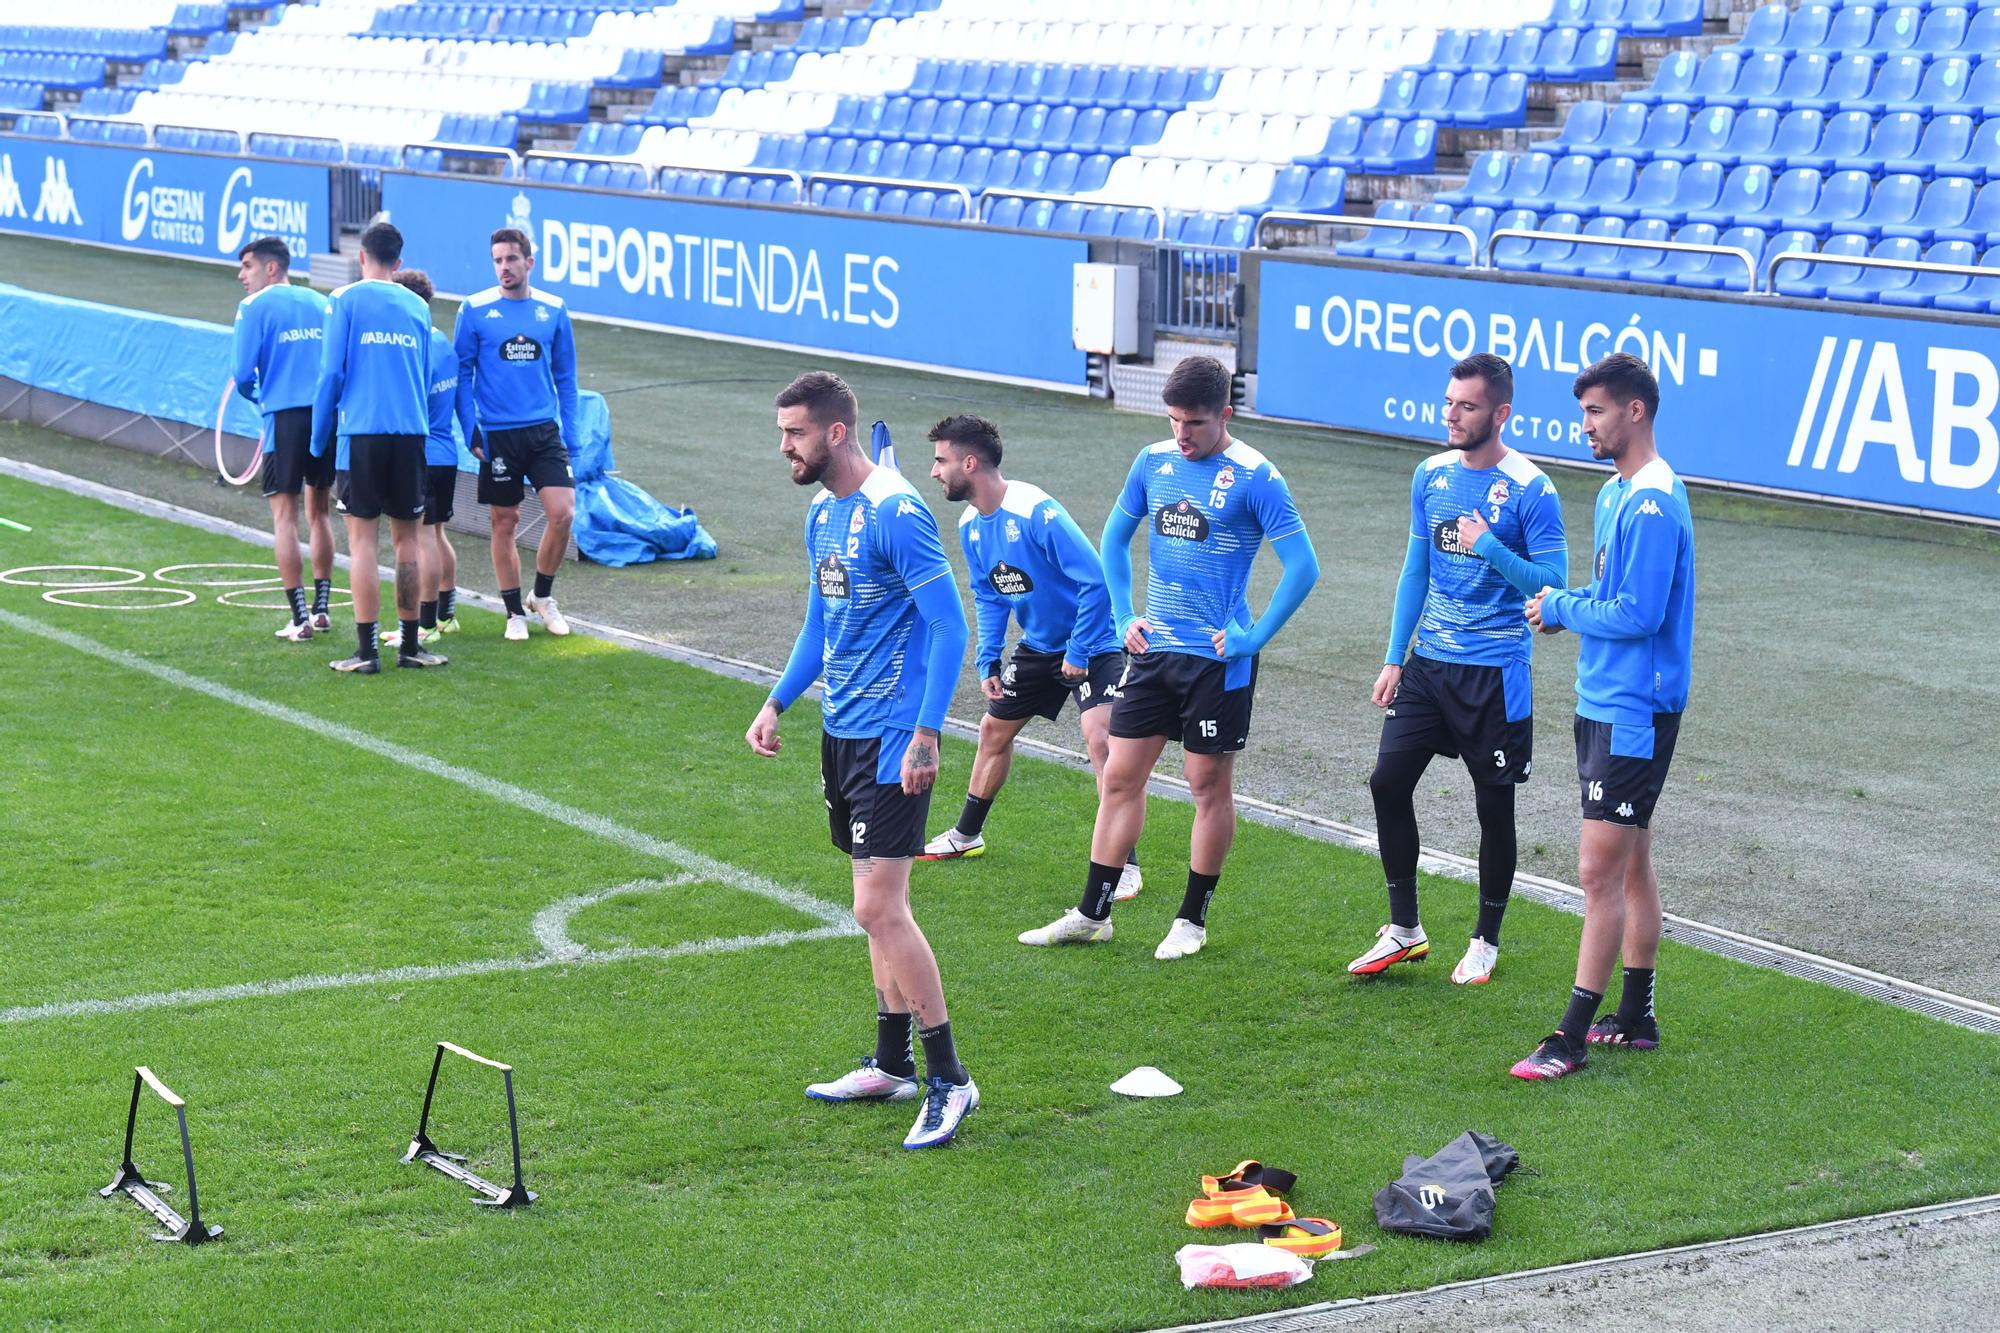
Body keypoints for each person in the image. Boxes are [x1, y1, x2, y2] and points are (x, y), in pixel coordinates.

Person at [744, 371, 977, 1149]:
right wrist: (778, 701)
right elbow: (820, 625)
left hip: (892, 740)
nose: (785, 447)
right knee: (869, 906)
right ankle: (890, 1061)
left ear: (836, 432)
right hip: (841, 733)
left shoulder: (898, 514)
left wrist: (926, 731)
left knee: (880, 907)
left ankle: (950, 1078)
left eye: (795, 434)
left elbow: (949, 628)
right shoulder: (822, 512)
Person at [1019, 355, 1319, 960]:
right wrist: (1126, 615)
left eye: (1196, 423)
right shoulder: (1153, 461)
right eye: (1175, 420)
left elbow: (1304, 567)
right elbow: (1112, 538)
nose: (1183, 434)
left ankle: (1191, 920)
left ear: (1225, 415)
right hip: (1154, 654)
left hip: (1217, 660)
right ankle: (1092, 913)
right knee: (1119, 776)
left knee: (1206, 786)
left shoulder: (1258, 477)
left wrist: (1252, 637)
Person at [1349, 354, 1568, 987]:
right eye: (1449, 402)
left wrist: (1491, 546)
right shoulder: (1431, 475)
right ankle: (1404, 929)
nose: (1451, 414)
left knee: (1493, 808)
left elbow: (1552, 587)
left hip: (1494, 673)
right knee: (1387, 782)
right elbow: (1415, 569)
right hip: (1428, 667)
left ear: (1500, 414)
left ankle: (1486, 939)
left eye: (1466, 406)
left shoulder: (1532, 489)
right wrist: (1396, 656)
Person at [1515, 352, 1695, 1081]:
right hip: (1605, 697)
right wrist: (1570, 611)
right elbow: (1608, 593)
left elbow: (1640, 612)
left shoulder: (1654, 502)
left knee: (1598, 870)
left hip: (1633, 709)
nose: (1584, 425)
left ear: (1635, 412)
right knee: (1631, 859)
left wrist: (1561, 607)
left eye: (1595, 412)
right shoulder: (1619, 492)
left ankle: (1571, 1034)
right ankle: (1639, 1014)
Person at [916, 414, 1141, 901]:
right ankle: (967, 834)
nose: (934, 472)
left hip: (1095, 642)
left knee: (1101, 741)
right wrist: (988, 660)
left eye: (941, 460)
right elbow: (990, 594)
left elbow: (1096, 581)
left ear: (970, 463)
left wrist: (1080, 651)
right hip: (1039, 646)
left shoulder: (1036, 512)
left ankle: (1123, 863)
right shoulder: (971, 524)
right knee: (993, 731)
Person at [309, 221, 446, 674]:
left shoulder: (344, 300)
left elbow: (331, 374)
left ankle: (367, 652)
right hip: (411, 433)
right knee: (408, 541)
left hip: (362, 432)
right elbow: (424, 376)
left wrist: (317, 438)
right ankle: (410, 646)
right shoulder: (417, 308)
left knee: (363, 541)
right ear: (399, 262)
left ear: (361, 255)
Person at [452, 227, 579, 642]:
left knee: (563, 513)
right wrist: (470, 426)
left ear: (529, 262)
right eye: (497, 260)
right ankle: (512, 613)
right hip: (498, 435)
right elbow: (461, 373)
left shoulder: (554, 310)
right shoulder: (473, 310)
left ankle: (542, 596)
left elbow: (567, 377)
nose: (504, 267)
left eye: (511, 259)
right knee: (504, 521)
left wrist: (572, 436)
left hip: (543, 431)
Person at [231, 236, 335, 641]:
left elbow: (242, 375)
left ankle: (300, 618)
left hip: (284, 417)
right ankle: (323, 609)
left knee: (284, 516)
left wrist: (260, 396)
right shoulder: (322, 302)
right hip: (325, 416)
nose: (242, 276)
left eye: (247, 267)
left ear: (271, 268)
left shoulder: (253, 307)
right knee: (320, 511)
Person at [381, 269, 462, 652]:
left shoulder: (414, 346)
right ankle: (447, 614)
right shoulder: (443, 342)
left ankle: (425, 624)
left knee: (423, 537)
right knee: (439, 533)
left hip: (422, 453)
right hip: (447, 453)